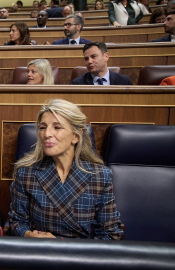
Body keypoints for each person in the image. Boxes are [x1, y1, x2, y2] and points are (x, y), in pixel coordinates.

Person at [9, 99, 124, 240]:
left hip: (82, 258)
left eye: (57, 127)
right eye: (43, 127)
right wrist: (29, 235)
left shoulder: (100, 176)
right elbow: (17, 223)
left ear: (75, 136)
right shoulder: (26, 173)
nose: (47, 134)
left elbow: (110, 234)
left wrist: (61, 244)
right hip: (40, 254)